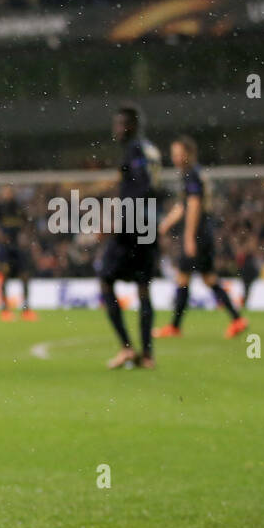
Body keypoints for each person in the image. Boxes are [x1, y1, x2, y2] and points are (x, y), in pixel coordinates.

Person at [155, 137, 247, 339]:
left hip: (198, 234)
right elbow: (183, 206)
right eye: (174, 154)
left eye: (178, 153)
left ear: (189, 153)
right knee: (208, 278)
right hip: (203, 234)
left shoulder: (192, 175)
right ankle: (236, 319)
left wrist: (189, 238)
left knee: (183, 278)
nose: (175, 158)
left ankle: (175, 327)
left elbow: (194, 206)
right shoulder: (191, 174)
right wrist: (164, 225)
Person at [96, 105, 161, 369]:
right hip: (149, 223)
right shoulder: (151, 150)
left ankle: (126, 348)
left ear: (131, 126)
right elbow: (153, 187)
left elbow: (140, 187)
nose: (116, 130)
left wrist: (118, 222)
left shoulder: (134, 150)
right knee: (143, 287)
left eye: (120, 125)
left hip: (133, 224)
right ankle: (147, 356)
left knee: (105, 280)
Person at [0, 185, 35, 320]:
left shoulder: (18, 207)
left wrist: (25, 237)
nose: (6, 194)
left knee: (24, 276)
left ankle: (26, 309)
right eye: (4, 192)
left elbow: (28, 223)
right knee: (4, 277)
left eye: (8, 191)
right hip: (5, 248)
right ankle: (5, 310)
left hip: (18, 248)